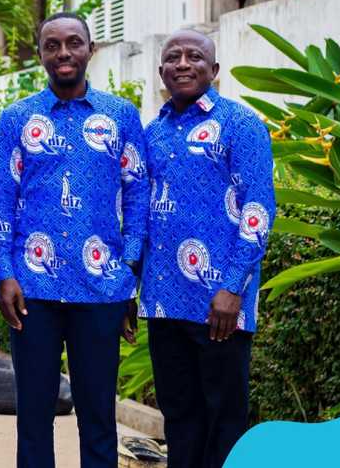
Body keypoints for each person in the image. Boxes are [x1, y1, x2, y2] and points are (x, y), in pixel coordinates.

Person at [0, 12, 149, 468]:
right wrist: (6, 272)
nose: (64, 53)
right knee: (34, 415)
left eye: (73, 43)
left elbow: (137, 191)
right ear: (40, 54)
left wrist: (128, 271)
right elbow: (2, 199)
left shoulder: (120, 116)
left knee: (98, 413)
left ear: (90, 49)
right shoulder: (17, 118)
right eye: (53, 45)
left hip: (100, 287)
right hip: (31, 291)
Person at [139, 29, 274, 468]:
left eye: (194, 56)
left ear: (213, 70)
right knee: (180, 418)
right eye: (173, 57)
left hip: (220, 306)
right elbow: (139, 211)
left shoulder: (241, 125)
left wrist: (233, 287)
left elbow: (258, 210)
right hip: (163, 305)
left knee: (225, 419)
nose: (183, 63)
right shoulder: (151, 134)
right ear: (161, 72)